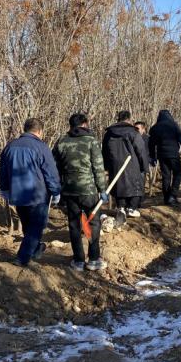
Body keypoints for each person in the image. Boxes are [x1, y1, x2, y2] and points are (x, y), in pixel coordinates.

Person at [0, 118, 61, 267]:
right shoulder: (41, 147)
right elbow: (50, 172)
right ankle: (22, 257)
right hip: (37, 194)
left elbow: (3, 171)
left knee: (28, 225)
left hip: (17, 193)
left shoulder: (10, 147)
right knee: (36, 226)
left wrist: (4, 189)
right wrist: (56, 191)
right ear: (39, 131)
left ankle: (36, 248)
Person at [52, 113, 109, 271]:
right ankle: (94, 259)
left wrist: (58, 187)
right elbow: (98, 167)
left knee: (74, 225)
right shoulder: (91, 141)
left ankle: (78, 260)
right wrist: (102, 189)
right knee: (94, 223)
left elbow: (54, 167)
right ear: (85, 124)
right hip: (89, 190)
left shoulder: (61, 141)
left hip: (69, 190)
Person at [103, 111, 149, 223]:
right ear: (129, 119)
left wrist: (107, 165)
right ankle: (131, 208)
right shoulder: (133, 132)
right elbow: (141, 150)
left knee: (118, 186)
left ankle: (121, 207)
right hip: (132, 164)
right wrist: (144, 166)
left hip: (115, 165)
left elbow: (104, 151)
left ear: (118, 119)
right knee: (134, 186)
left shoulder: (109, 133)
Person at [148, 110, 181, 205]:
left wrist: (152, 157)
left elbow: (151, 144)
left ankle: (166, 198)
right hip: (173, 154)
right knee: (178, 174)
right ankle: (173, 196)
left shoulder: (155, 128)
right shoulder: (173, 126)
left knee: (166, 176)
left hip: (162, 155)